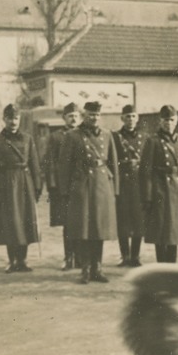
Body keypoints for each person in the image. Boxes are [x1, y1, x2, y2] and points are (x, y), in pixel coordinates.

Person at [59, 100, 119, 285]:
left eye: (97, 115)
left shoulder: (107, 135)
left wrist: (115, 189)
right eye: (91, 114)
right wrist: (64, 191)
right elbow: (64, 165)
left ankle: (97, 268)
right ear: (84, 115)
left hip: (101, 185)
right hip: (81, 185)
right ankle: (85, 269)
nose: (94, 118)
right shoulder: (72, 136)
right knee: (84, 229)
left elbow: (113, 163)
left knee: (99, 229)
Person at [0, 103, 41, 273]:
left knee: (24, 221)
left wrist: (37, 187)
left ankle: (22, 260)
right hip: (6, 183)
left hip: (25, 183)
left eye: (16, 118)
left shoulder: (28, 138)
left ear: (20, 119)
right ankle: (12, 260)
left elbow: (34, 164)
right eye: (9, 118)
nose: (13, 122)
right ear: (4, 120)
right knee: (10, 223)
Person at [140, 104, 178, 264]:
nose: (169, 123)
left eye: (172, 120)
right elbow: (145, 171)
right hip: (159, 189)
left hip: (177, 189)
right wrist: (147, 196)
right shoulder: (152, 141)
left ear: (177, 121)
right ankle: (162, 264)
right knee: (161, 230)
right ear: (160, 121)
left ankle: (172, 265)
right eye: (166, 120)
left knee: (174, 230)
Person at [44, 102, 79, 270]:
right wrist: (52, 185)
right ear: (64, 118)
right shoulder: (56, 137)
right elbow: (50, 162)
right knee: (67, 223)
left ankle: (81, 258)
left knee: (83, 221)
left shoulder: (83, 136)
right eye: (70, 116)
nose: (73, 119)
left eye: (76, 116)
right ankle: (68, 257)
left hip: (81, 184)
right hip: (63, 186)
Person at [112, 104, 146, 267]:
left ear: (137, 118)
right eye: (127, 117)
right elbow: (111, 160)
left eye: (133, 116)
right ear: (122, 119)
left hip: (139, 183)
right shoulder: (116, 137)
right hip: (123, 182)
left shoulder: (145, 137)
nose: (130, 120)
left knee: (138, 220)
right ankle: (124, 255)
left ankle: (135, 256)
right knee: (123, 220)